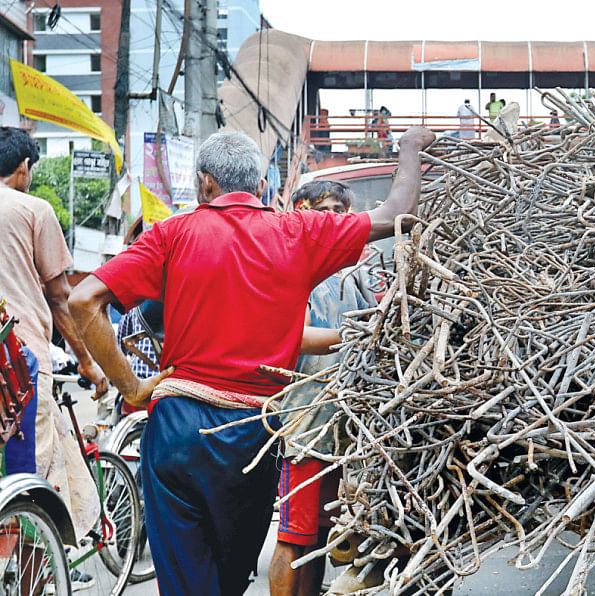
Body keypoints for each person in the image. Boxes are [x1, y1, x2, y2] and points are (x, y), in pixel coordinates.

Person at [70, 126, 437, 595]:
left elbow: (83, 300)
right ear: (262, 186)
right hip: (251, 436)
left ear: (205, 184)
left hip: (177, 427)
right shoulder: (299, 231)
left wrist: (133, 387)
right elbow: (396, 213)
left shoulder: (171, 233)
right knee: (229, 581)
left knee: (186, 583)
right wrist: (408, 148)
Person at [269, 180, 376, 596]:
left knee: (319, 538)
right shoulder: (291, 266)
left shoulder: (352, 272)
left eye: (340, 213)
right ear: (300, 210)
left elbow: (373, 324)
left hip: (345, 425)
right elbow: (291, 337)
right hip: (305, 422)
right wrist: (351, 335)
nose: (333, 220)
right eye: (325, 210)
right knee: (293, 537)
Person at [0, 126, 107, 531]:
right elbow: (60, 297)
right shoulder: (34, 210)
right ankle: (33, 563)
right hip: (20, 361)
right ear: (24, 166)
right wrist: (87, 362)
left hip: (15, 355)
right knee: (32, 478)